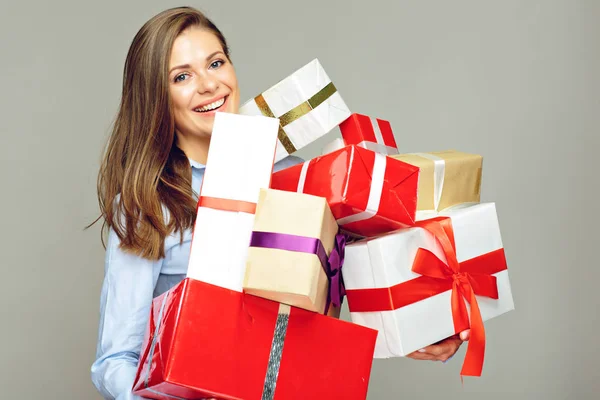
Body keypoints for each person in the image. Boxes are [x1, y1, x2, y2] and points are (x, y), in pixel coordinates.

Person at [89, 6, 469, 400]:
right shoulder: (148, 204)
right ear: (155, 96)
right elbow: (115, 360)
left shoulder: (297, 178)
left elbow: (363, 279)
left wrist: (428, 325)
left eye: (215, 63)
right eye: (182, 76)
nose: (208, 84)